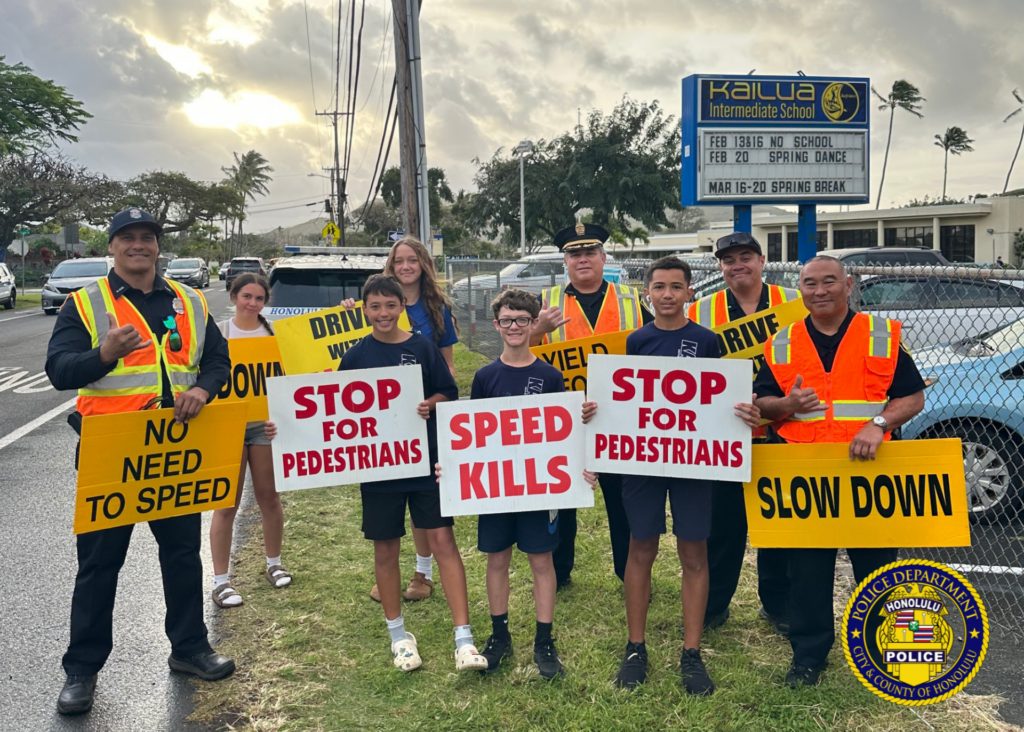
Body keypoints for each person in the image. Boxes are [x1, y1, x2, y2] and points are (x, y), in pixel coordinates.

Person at [45, 208, 235, 715]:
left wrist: (202, 388)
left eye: (146, 238)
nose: (137, 245)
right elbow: (60, 371)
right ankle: (82, 671)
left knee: (180, 554)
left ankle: (190, 649)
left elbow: (219, 360)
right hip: (112, 452)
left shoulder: (189, 301)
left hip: (174, 451)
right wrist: (104, 353)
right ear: (111, 247)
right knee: (99, 563)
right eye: (126, 238)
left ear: (157, 247)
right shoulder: (85, 304)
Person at [583, 257, 761, 694]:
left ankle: (692, 652)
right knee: (640, 546)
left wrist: (744, 412)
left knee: (694, 552)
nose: (666, 294)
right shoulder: (636, 339)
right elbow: (624, 400)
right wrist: (595, 409)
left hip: (693, 464)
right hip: (642, 463)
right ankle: (635, 647)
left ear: (688, 293)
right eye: (659, 287)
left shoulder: (706, 340)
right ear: (647, 294)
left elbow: (720, 401)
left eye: (675, 287)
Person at [755, 256, 926, 688]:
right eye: (810, 284)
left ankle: (883, 652)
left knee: (878, 568)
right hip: (807, 475)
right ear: (801, 290)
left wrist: (879, 424)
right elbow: (760, 405)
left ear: (848, 285)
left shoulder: (880, 335)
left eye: (829, 281)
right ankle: (808, 657)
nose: (820, 291)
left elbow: (912, 397)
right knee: (807, 571)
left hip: (870, 473)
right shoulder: (781, 342)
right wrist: (786, 406)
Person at [434, 289, 598, 679]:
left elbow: (565, 434)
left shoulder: (549, 375)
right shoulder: (487, 376)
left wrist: (581, 467)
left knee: (542, 560)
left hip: (540, 490)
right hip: (499, 490)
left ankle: (545, 640)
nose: (514, 327)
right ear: (497, 325)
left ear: (532, 323)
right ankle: (500, 636)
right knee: (497, 559)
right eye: (507, 320)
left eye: (522, 320)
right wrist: (453, 469)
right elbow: (472, 436)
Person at [340, 274, 487, 673]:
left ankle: (464, 638)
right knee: (385, 549)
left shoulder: (422, 347)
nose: (383, 313)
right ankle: (398, 636)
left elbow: (449, 391)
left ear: (402, 306)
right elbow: (334, 414)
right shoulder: (354, 357)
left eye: (391, 305)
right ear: (365, 309)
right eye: (375, 306)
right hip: (379, 468)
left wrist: (431, 404)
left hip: (425, 462)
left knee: (443, 541)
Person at [688, 232, 801, 637]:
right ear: (720, 267)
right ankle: (715, 605)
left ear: (762, 260)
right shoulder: (703, 308)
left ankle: (779, 605)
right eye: (728, 259)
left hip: (783, 428)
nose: (737, 265)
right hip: (725, 434)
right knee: (723, 525)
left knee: (777, 522)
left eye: (745, 257)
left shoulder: (792, 302)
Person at [531, 222, 652, 587]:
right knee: (562, 495)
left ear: (603, 257)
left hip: (619, 415)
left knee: (623, 499)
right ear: (564, 262)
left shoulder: (632, 300)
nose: (582, 259)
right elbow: (521, 351)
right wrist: (538, 330)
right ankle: (559, 570)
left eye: (589, 252)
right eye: (574, 254)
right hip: (565, 414)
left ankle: (627, 572)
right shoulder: (546, 302)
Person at [342, 237, 458, 603]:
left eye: (413, 260)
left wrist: (432, 403)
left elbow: (447, 377)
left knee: (428, 518)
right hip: (379, 449)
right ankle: (390, 578)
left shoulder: (434, 316)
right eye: (399, 260)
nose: (406, 266)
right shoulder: (358, 342)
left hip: (422, 433)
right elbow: (333, 400)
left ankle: (422, 572)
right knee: (388, 528)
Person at [208, 273, 290, 609]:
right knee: (225, 503)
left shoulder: (275, 335)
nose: (252, 303)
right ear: (233, 297)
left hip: (262, 427)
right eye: (246, 296)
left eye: (258, 298)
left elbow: (292, 379)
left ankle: (274, 563)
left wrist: (280, 419)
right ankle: (220, 581)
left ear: (265, 302)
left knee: (268, 497)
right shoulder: (218, 334)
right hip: (226, 426)